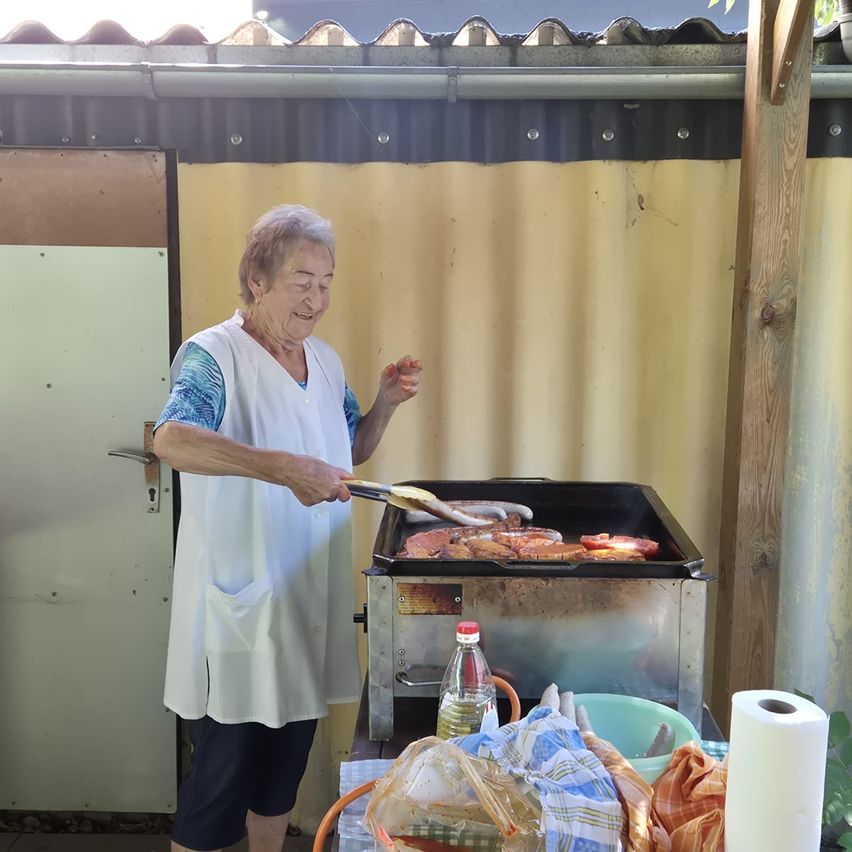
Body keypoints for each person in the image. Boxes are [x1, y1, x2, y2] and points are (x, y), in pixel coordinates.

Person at [153, 204, 422, 852]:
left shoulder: (323, 361)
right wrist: (279, 469)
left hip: (305, 601)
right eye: (302, 280)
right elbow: (172, 440)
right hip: (238, 608)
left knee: (280, 778)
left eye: (326, 281)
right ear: (257, 277)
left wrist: (384, 403)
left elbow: (348, 450)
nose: (317, 297)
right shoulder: (214, 356)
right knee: (218, 786)